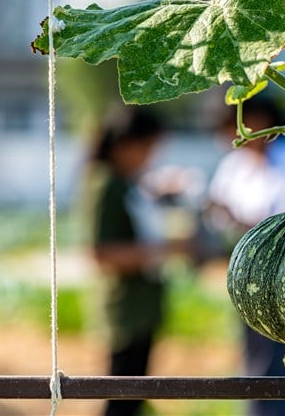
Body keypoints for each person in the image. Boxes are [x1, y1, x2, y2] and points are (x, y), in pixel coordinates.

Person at [205, 96, 285, 416]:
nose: (226, 138)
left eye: (230, 128)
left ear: (257, 119)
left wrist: (236, 220)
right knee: (257, 359)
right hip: (249, 279)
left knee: (282, 363)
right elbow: (216, 210)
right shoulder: (237, 163)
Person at [89, 105, 194, 416]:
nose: (150, 157)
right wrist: (166, 249)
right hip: (126, 311)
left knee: (132, 397)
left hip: (141, 308)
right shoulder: (106, 184)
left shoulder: (127, 182)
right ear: (125, 144)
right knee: (121, 400)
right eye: (148, 148)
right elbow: (101, 252)